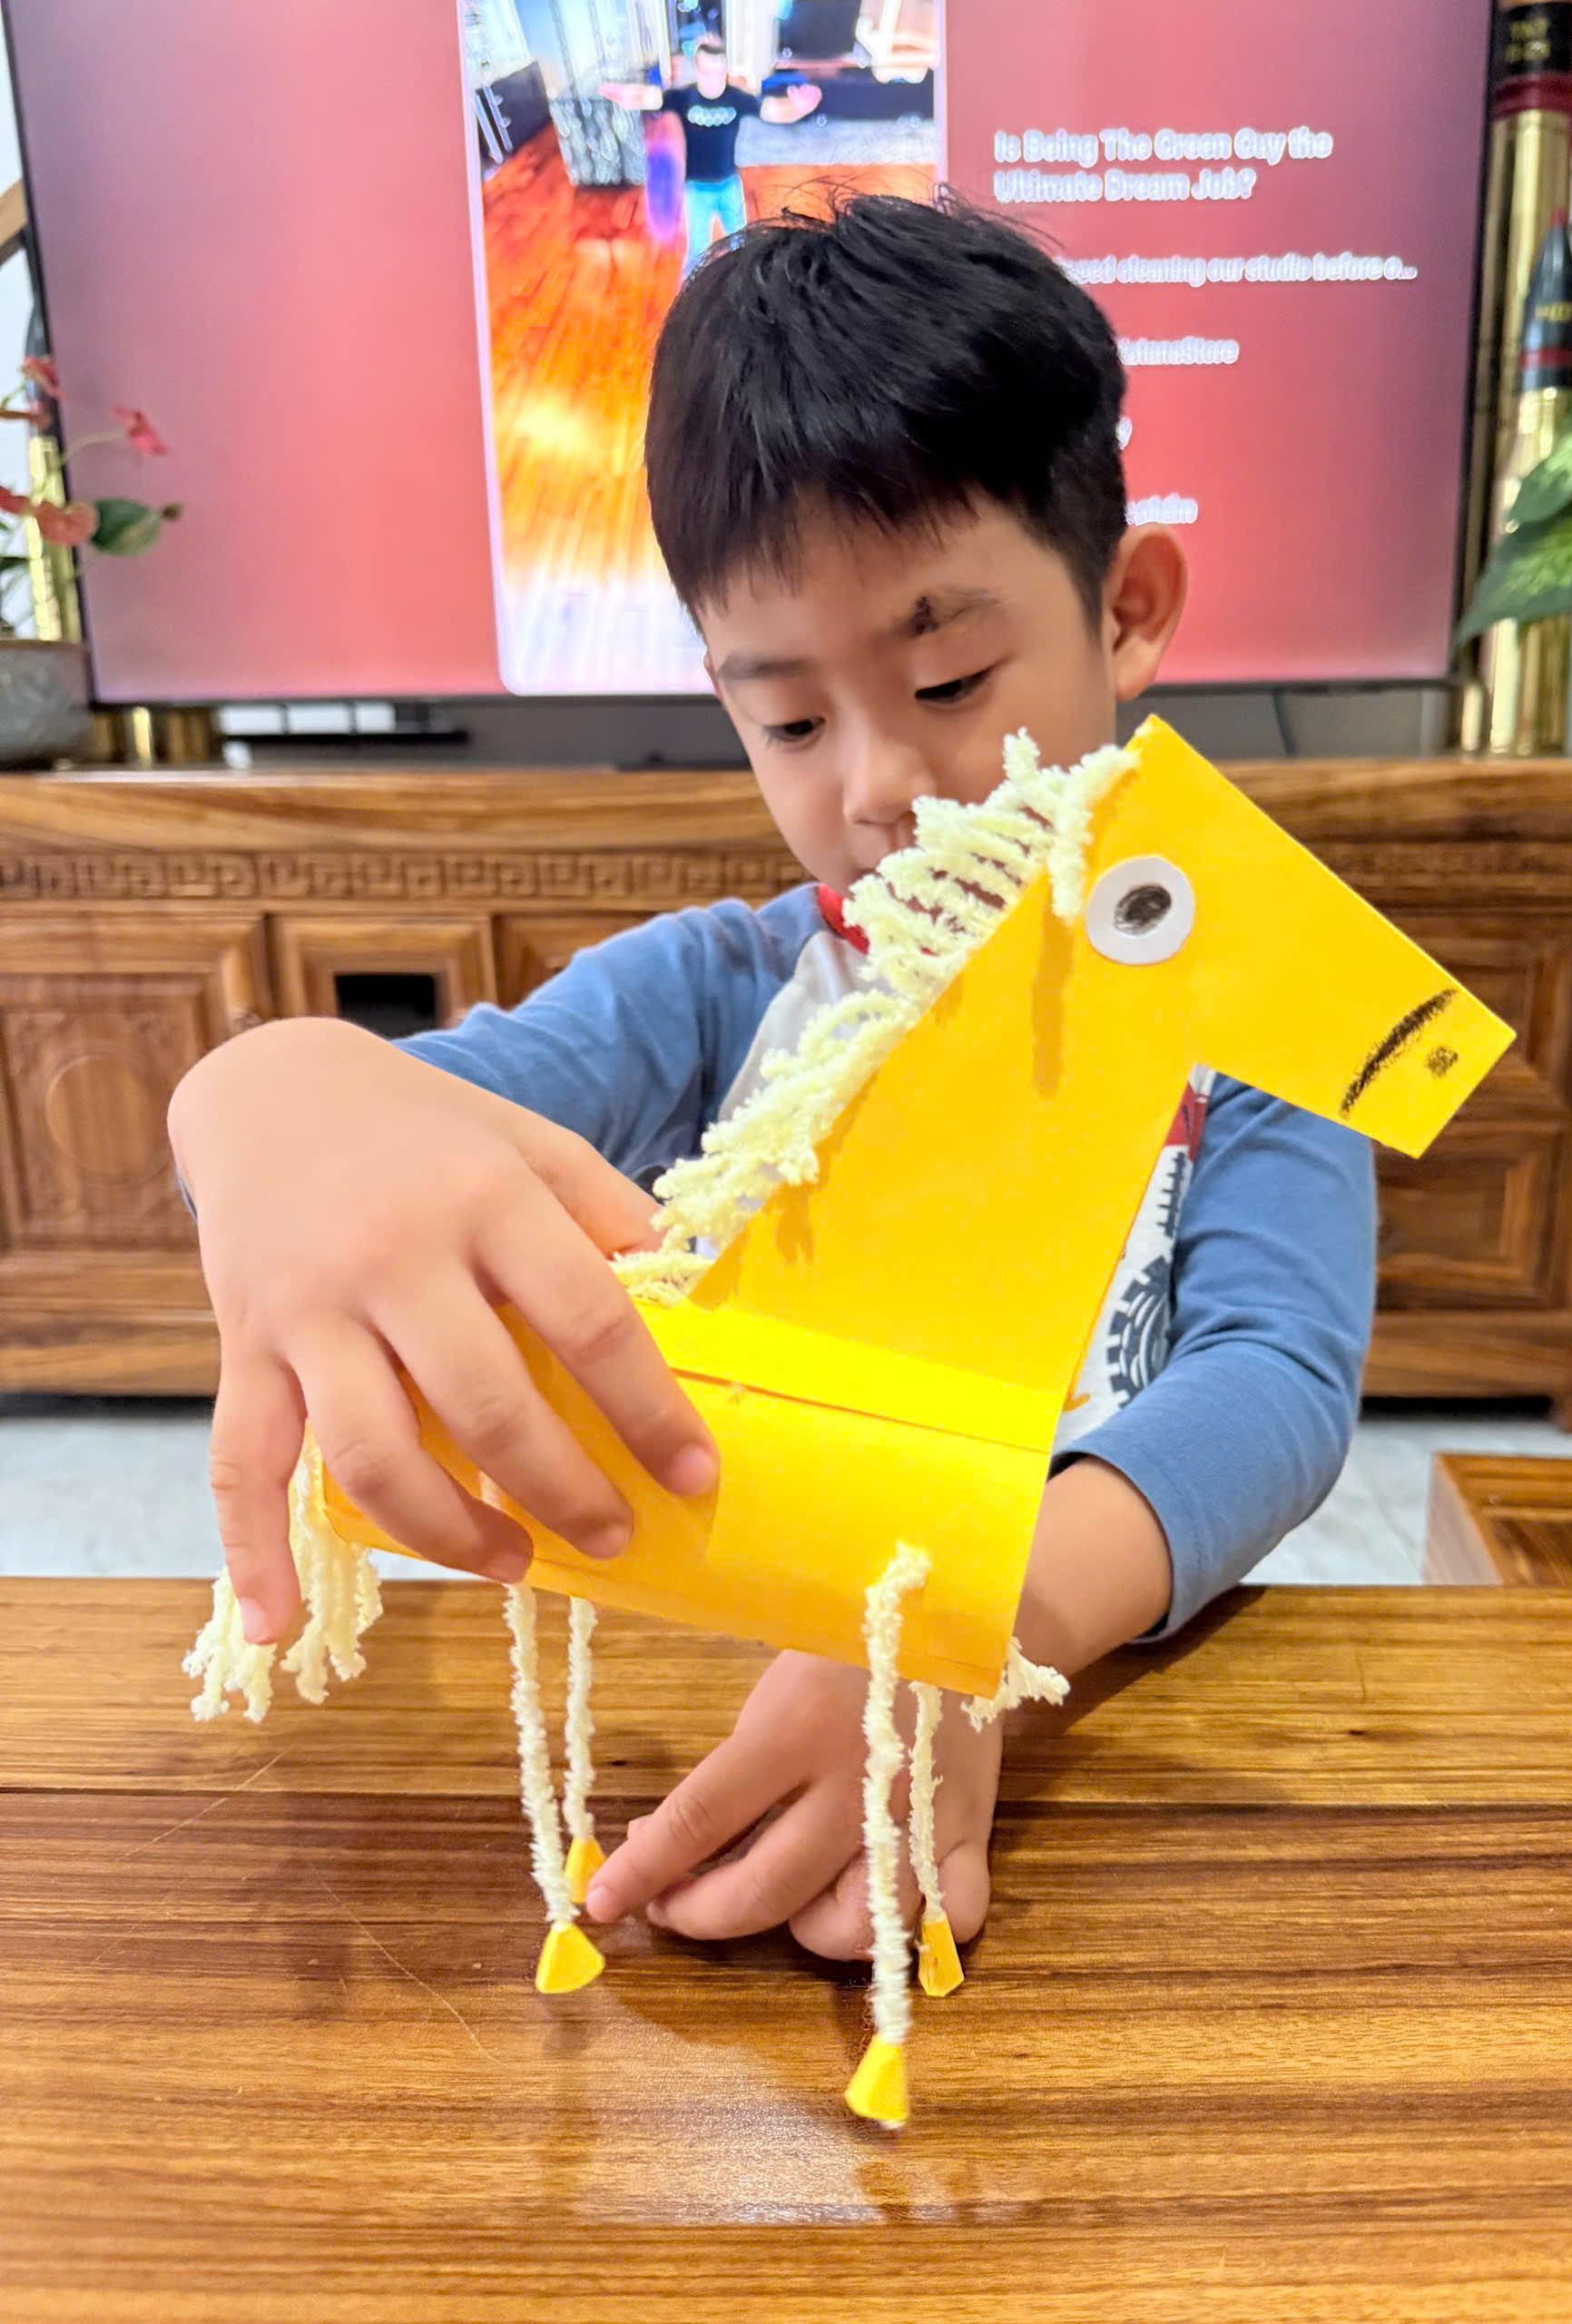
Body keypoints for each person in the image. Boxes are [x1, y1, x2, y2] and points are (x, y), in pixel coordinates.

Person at [169, 193, 1374, 1965]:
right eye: (792, 720)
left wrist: (971, 1625)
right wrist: (264, 1093)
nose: (879, 780)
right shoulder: (724, 986)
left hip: (1099, 1692)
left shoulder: (1245, 999)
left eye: (949, 676)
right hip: (723, 1687)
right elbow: (379, 1114)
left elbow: (1275, 1381)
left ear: (1128, 612)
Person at [602, 36, 820, 275]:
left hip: (728, 184)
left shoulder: (737, 98)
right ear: (697, 70)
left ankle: (742, 294)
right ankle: (688, 299)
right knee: (697, 251)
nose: (713, 80)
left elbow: (774, 111)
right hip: (696, 190)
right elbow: (648, 97)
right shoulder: (683, 98)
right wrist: (624, 96)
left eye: (718, 73)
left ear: (725, 71)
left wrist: (800, 108)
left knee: (741, 246)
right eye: (706, 72)